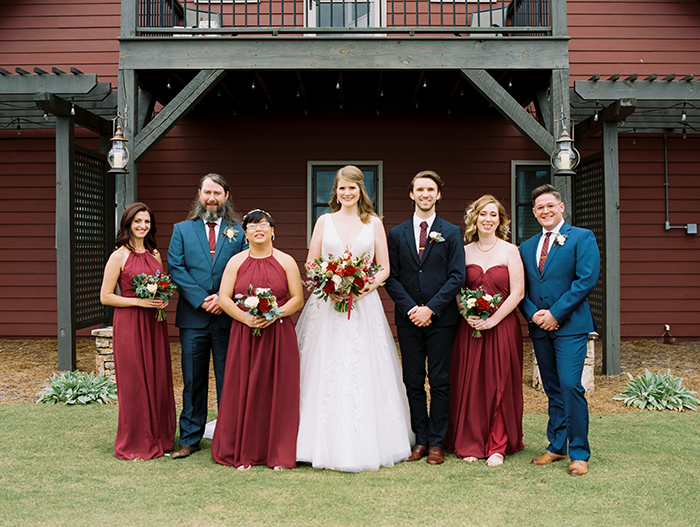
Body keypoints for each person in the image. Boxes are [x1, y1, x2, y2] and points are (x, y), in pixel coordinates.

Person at [296, 165, 413, 472]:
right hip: (327, 305)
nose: (346, 193)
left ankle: (372, 440)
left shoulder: (373, 223)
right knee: (323, 366)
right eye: (341, 188)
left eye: (352, 188)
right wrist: (329, 285)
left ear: (362, 191)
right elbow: (311, 263)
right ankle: (313, 441)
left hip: (363, 305)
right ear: (334, 192)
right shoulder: (324, 221)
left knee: (364, 367)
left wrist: (362, 288)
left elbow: (384, 268)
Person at [211, 209, 304, 470]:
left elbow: (297, 298)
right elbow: (224, 297)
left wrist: (275, 314)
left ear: (273, 231)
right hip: (245, 334)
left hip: (279, 333)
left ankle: (278, 453)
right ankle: (245, 451)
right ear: (245, 233)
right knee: (245, 388)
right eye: (252, 226)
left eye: (264, 224)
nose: (258, 229)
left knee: (278, 391)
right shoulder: (236, 262)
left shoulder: (286, 260)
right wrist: (244, 318)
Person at [385, 170, 466, 465]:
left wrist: (431, 308)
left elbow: (457, 276)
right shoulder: (396, 233)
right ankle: (420, 439)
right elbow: (391, 278)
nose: (425, 194)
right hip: (408, 319)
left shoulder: (452, 232)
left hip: (441, 319)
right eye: (420, 189)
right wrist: (412, 309)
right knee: (413, 380)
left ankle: (437, 442)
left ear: (438, 194)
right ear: (411, 194)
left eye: (430, 189)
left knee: (441, 380)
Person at [519, 184, 600, 476]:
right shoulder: (526, 247)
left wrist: (555, 313)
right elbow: (521, 289)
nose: (545, 211)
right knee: (552, 389)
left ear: (561, 207)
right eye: (540, 207)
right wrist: (535, 315)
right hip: (540, 328)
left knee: (570, 385)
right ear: (534, 212)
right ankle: (556, 446)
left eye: (550, 206)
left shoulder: (581, 237)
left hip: (571, 326)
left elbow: (586, 280)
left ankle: (579, 452)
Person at [167, 173, 247, 459]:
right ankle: (189, 438)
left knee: (229, 379)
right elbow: (176, 268)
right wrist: (203, 300)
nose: (211, 198)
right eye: (207, 193)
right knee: (193, 379)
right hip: (193, 318)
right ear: (199, 195)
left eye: (217, 193)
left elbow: (245, 268)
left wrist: (222, 300)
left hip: (228, 317)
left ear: (226, 196)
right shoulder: (181, 230)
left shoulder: (240, 232)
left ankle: (230, 437)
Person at [444, 195, 525, 467]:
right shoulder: (463, 251)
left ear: (500, 220)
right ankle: (470, 441)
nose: (488, 219)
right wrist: (468, 315)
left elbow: (518, 293)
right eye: (483, 214)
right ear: (474, 218)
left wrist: (493, 320)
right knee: (471, 384)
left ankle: (497, 445)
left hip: (502, 327)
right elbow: (456, 288)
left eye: (494, 215)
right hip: (470, 328)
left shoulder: (510, 251)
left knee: (499, 383)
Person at [100, 202, 176, 460]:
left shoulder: (154, 254)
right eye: (137, 222)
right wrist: (138, 301)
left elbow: (161, 285)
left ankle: (159, 437)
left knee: (157, 377)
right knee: (134, 381)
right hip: (130, 323)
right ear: (128, 224)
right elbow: (106, 297)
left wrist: (163, 298)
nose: (142, 226)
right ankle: (134, 441)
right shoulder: (118, 256)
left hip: (155, 322)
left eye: (146, 222)